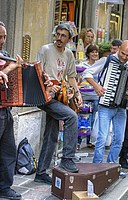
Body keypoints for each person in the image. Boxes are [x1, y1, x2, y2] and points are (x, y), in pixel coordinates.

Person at [34, 23, 83, 185]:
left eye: (64, 36)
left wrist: (78, 94)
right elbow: (36, 72)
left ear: (69, 39)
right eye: (58, 34)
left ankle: (41, 172)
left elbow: (70, 76)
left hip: (59, 96)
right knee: (71, 117)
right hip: (44, 96)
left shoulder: (69, 54)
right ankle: (67, 159)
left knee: (51, 134)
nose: (59, 38)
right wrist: (48, 84)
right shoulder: (45, 50)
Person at [82, 40, 128, 163]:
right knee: (102, 138)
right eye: (123, 53)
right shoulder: (107, 60)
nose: (124, 57)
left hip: (121, 107)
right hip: (105, 105)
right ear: (119, 48)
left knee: (119, 139)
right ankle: (97, 167)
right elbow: (86, 73)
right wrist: (97, 86)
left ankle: (111, 167)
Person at [0, 21, 22, 200]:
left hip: (5, 110)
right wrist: (10, 68)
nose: (2, 40)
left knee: (8, 151)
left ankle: (4, 188)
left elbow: (11, 77)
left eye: (4, 36)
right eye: (0, 36)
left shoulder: (5, 55)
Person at [77, 44, 99, 149]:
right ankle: (78, 141)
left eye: (96, 52)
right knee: (83, 118)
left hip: (95, 96)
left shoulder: (100, 65)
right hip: (84, 95)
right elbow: (79, 79)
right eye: (92, 52)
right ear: (88, 54)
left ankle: (90, 141)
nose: (95, 54)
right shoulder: (82, 65)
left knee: (93, 119)